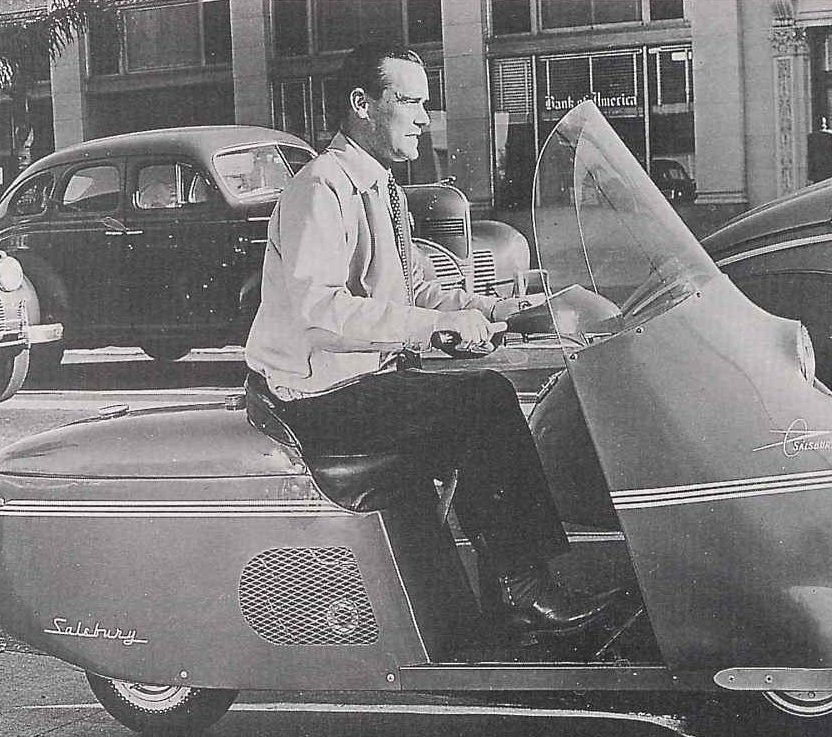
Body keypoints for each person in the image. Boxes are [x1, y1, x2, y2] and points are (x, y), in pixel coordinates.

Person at [244, 43, 616, 642]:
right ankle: (524, 591)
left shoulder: (383, 188)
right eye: (411, 102)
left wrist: (508, 312)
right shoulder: (321, 188)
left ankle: (507, 591)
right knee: (485, 402)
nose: (425, 117)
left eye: (426, 103)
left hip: (361, 382)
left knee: (482, 404)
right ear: (362, 104)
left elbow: (417, 290)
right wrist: (434, 329)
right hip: (314, 397)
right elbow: (317, 311)